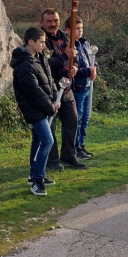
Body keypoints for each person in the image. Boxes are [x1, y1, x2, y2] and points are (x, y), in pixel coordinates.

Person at [11, 27, 58, 196]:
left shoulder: (39, 57)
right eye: (42, 42)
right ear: (31, 42)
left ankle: (35, 174)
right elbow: (33, 91)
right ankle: (37, 180)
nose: (44, 45)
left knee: (38, 140)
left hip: (43, 106)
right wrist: (50, 107)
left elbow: (49, 78)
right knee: (47, 140)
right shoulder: (24, 65)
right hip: (33, 108)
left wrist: (54, 100)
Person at [39, 9, 84, 171]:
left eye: (55, 20)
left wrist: (75, 68)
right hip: (50, 90)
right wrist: (64, 56)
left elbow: (76, 57)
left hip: (66, 89)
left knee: (72, 122)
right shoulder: (41, 39)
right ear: (42, 23)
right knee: (50, 126)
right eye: (49, 21)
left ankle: (69, 156)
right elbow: (44, 65)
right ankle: (52, 160)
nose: (53, 24)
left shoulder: (65, 37)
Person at [67, 16, 97, 160]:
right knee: (77, 119)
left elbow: (93, 60)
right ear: (68, 30)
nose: (80, 31)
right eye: (76, 28)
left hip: (87, 86)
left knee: (85, 117)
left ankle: (81, 145)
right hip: (77, 87)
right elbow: (73, 69)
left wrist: (95, 69)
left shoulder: (84, 44)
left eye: (81, 28)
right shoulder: (70, 47)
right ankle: (75, 147)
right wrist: (88, 71)